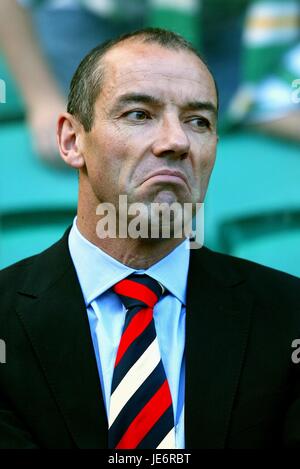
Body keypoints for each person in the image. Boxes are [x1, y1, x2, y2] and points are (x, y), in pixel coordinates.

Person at [0, 28, 300, 450]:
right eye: (139, 114)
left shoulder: (290, 316)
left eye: (199, 121)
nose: (176, 141)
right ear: (71, 140)